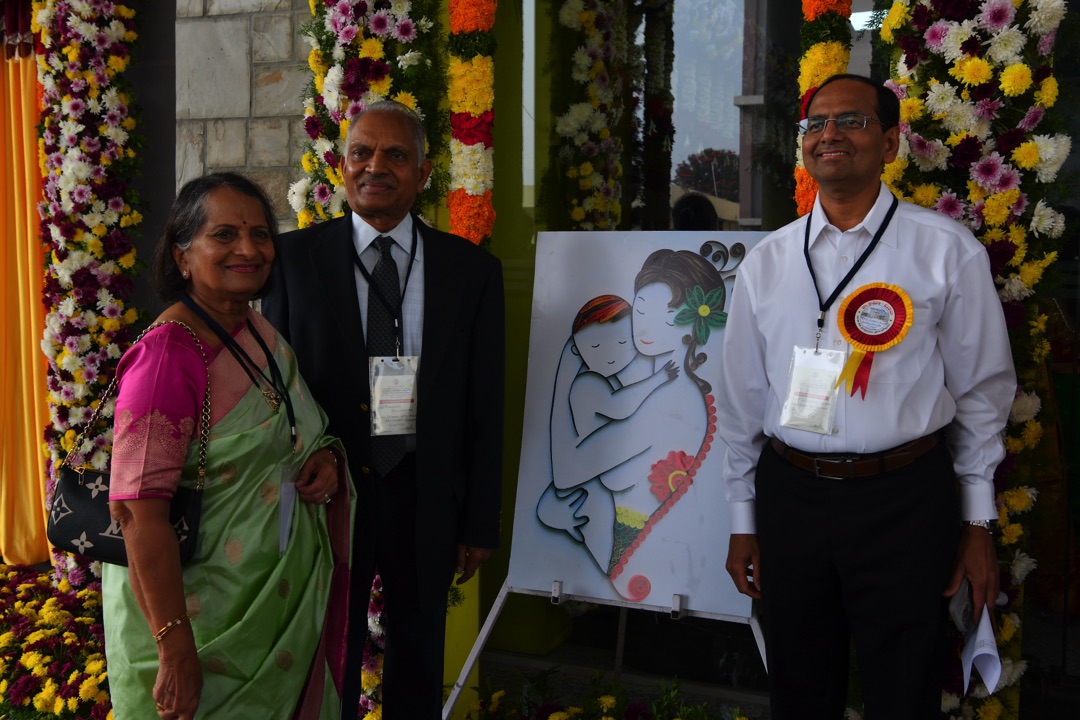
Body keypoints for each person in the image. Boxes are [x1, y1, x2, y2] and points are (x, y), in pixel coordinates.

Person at [718, 74, 1016, 719]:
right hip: (791, 497)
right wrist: (744, 520)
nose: (830, 134)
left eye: (851, 120)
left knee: (904, 689)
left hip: (905, 500)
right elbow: (741, 404)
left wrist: (977, 523)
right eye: (815, 124)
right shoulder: (766, 263)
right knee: (799, 689)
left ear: (889, 143)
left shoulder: (945, 251)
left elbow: (982, 394)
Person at [262, 100, 505, 720]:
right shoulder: (291, 262)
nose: (376, 167)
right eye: (361, 153)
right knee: (327, 652)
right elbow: (276, 390)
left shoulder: (472, 272)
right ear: (341, 167)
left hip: (426, 493)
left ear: (423, 173)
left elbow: (485, 404)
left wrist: (479, 521)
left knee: (419, 657)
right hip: (328, 492)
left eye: (396, 155)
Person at [102, 172, 353, 720]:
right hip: (197, 623)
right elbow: (139, 514)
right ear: (182, 256)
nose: (248, 249)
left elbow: (297, 431)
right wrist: (174, 645)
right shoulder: (168, 357)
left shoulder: (258, 332)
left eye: (260, 234)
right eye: (224, 235)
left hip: (267, 601)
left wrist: (323, 459)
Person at [545, 250, 726, 600]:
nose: (646, 326)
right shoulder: (660, 387)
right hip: (634, 555)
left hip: (642, 561)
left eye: (667, 317)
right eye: (641, 310)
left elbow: (567, 473)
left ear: (696, 322)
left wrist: (565, 374)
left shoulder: (670, 399)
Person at [537, 294, 677, 571]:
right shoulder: (587, 383)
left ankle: (606, 566)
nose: (610, 353)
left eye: (623, 343)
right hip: (587, 474)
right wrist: (658, 379)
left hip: (590, 475)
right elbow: (619, 407)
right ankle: (606, 567)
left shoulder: (599, 379)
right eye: (595, 345)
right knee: (600, 525)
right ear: (577, 347)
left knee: (601, 523)